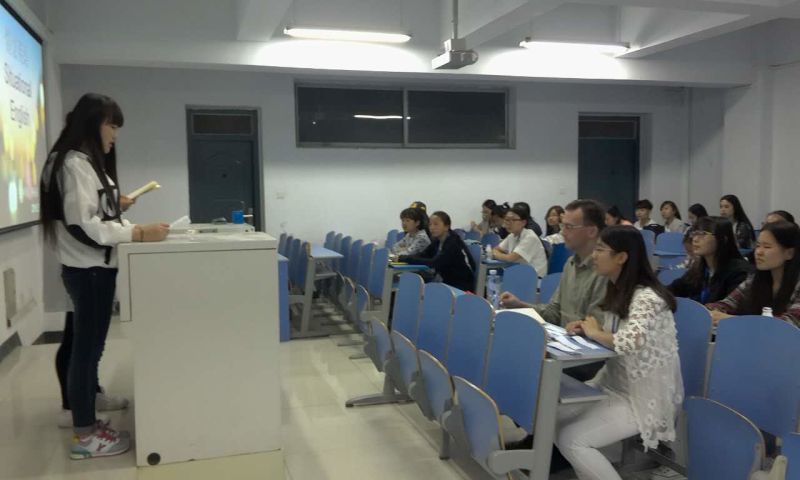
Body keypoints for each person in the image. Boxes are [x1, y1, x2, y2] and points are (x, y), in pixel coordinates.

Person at [40, 93, 170, 459]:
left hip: (85, 268)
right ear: (93, 123)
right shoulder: (75, 164)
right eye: (111, 125)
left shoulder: (69, 160)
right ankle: (85, 436)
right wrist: (137, 233)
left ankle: (85, 407)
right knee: (87, 349)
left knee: (82, 346)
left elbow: (90, 213)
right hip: (90, 270)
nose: (115, 135)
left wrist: (118, 210)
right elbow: (83, 225)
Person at [555, 226, 683, 480]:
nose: (594, 256)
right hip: (613, 383)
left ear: (622, 257)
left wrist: (594, 333)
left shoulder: (647, 297)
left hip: (643, 396)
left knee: (573, 440)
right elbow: (615, 335)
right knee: (554, 416)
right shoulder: (617, 289)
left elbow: (630, 341)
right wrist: (588, 330)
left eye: (601, 250)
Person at [707, 220, 800, 327]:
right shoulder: (755, 279)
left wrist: (733, 320)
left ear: (789, 253)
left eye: (767, 247)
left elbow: (790, 323)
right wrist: (712, 311)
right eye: (758, 246)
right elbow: (728, 303)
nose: (758, 252)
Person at [667, 217, 753, 303]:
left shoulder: (739, 273)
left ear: (723, 239)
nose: (695, 239)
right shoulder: (700, 268)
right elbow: (676, 288)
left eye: (703, 234)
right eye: (694, 233)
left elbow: (728, 307)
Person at [398, 211, 476, 292]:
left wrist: (406, 259)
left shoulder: (453, 242)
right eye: (430, 224)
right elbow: (424, 254)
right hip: (447, 281)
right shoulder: (437, 240)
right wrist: (403, 258)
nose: (432, 228)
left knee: (419, 287)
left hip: (462, 285)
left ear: (446, 227)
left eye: (436, 224)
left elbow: (435, 262)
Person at [492, 204, 548, 276]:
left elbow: (510, 258)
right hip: (519, 274)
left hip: (535, 278)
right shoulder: (512, 236)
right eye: (507, 219)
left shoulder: (530, 237)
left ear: (523, 222)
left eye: (513, 220)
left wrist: (497, 255)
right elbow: (496, 249)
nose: (508, 223)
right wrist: (501, 255)